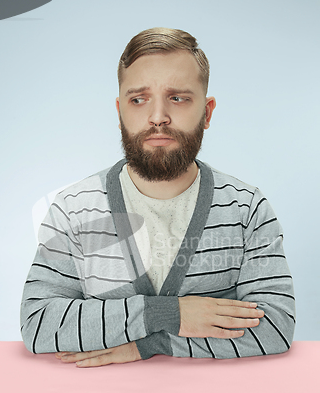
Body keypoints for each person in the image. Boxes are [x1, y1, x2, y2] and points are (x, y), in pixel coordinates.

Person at [20, 27, 295, 368]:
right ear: (120, 110)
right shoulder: (74, 209)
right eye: (139, 99)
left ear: (207, 113)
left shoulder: (247, 209)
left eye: (178, 98)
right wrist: (168, 312)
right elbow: (39, 324)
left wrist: (150, 343)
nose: (157, 117)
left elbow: (276, 326)